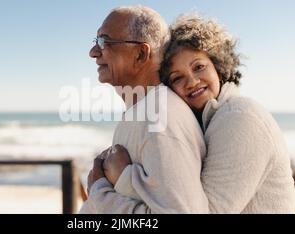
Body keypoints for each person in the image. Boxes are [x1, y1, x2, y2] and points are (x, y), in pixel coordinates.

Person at [102, 14, 295, 213]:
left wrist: (124, 178)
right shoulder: (210, 121)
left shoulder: (240, 118)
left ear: (219, 67)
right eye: (177, 78)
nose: (192, 81)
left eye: (199, 67)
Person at [79, 6, 209, 214]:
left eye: (104, 41)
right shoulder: (145, 110)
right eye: (95, 42)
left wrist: (99, 192)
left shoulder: (159, 117)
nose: (93, 52)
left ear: (140, 54)